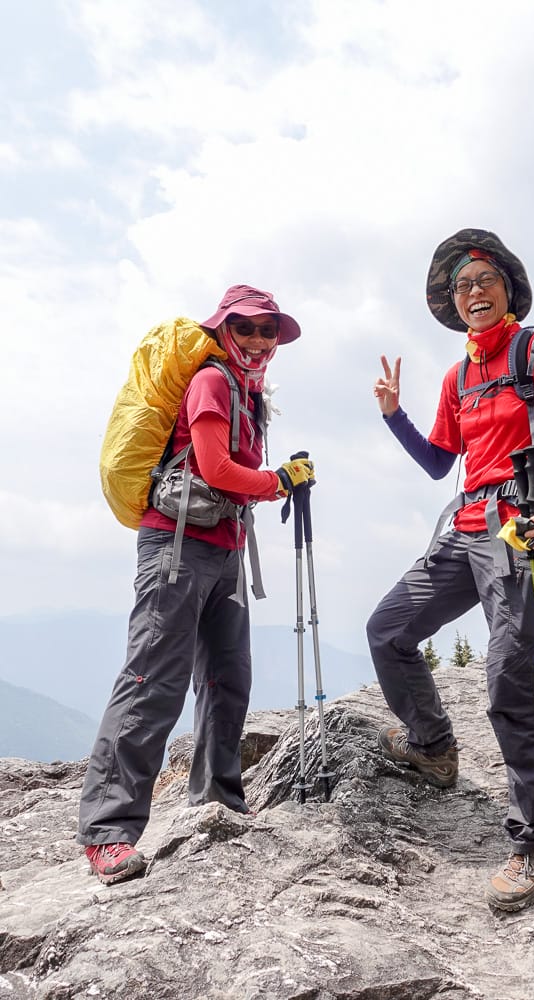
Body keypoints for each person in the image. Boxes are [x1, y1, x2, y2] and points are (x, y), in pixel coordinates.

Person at [367, 229, 534, 912]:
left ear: (507, 289)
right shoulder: (458, 374)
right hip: (464, 528)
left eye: (483, 280)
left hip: (519, 528)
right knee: (388, 630)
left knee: (508, 676)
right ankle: (433, 746)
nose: (473, 293)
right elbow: (441, 461)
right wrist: (394, 416)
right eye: (462, 286)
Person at [78, 285, 315, 885]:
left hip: (224, 550)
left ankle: (218, 799)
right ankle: (109, 833)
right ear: (224, 330)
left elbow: (226, 476)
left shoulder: (250, 392)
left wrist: (272, 480)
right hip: (176, 551)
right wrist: (278, 480)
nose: (260, 340)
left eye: (269, 331)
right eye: (249, 329)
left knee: (227, 678)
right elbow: (214, 470)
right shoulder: (212, 382)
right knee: (152, 680)